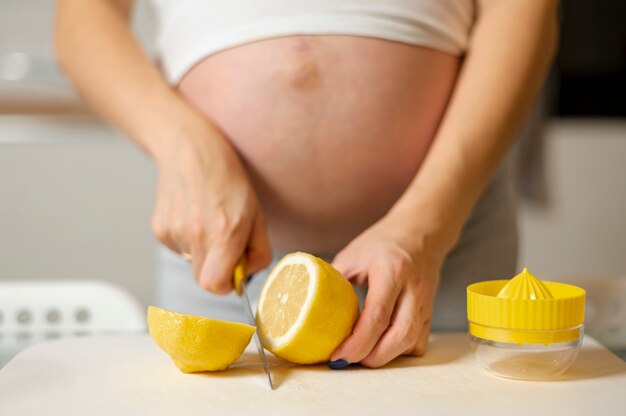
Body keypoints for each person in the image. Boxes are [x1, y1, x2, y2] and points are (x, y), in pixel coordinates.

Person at [55, 0, 558, 369]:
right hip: (224, 254)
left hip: (444, 239)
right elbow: (82, 18)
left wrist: (427, 226)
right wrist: (181, 144)